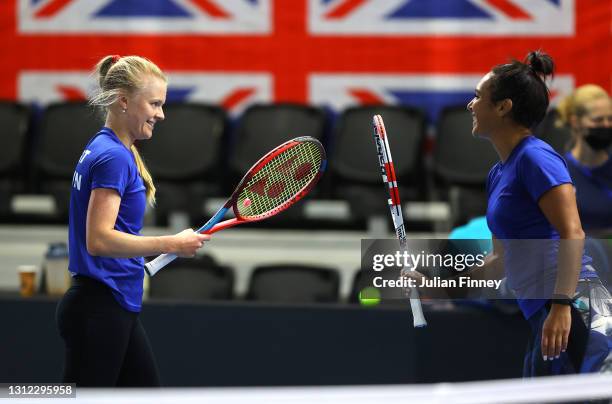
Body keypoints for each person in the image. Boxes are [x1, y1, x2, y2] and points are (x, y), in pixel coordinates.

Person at [56, 55, 210, 387]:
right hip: (100, 307)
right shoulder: (113, 156)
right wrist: (171, 243)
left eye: (162, 104)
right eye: (154, 103)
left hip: (112, 303)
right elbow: (99, 240)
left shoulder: (107, 147)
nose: (161, 113)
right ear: (124, 101)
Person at [465, 50, 611, 376]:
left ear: (504, 107)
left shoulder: (536, 159)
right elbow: (499, 261)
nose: (470, 105)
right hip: (544, 310)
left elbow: (572, 232)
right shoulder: (497, 174)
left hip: (576, 306)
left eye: (477, 96)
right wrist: (440, 283)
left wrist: (561, 305)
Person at [555, 84, 612, 236]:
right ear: (575, 122)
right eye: (598, 120)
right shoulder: (559, 172)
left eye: (610, 119)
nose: (606, 125)